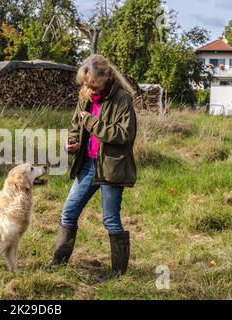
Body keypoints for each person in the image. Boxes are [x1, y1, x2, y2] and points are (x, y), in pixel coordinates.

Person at [49, 54, 138, 277]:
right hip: (87, 164)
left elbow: (124, 135)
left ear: (106, 75)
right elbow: (75, 124)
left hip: (111, 167)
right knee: (68, 212)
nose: (90, 89)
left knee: (110, 220)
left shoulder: (122, 99)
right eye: (86, 85)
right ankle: (57, 266)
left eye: (94, 84)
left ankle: (118, 274)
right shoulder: (85, 95)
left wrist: (92, 122)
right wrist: (72, 141)